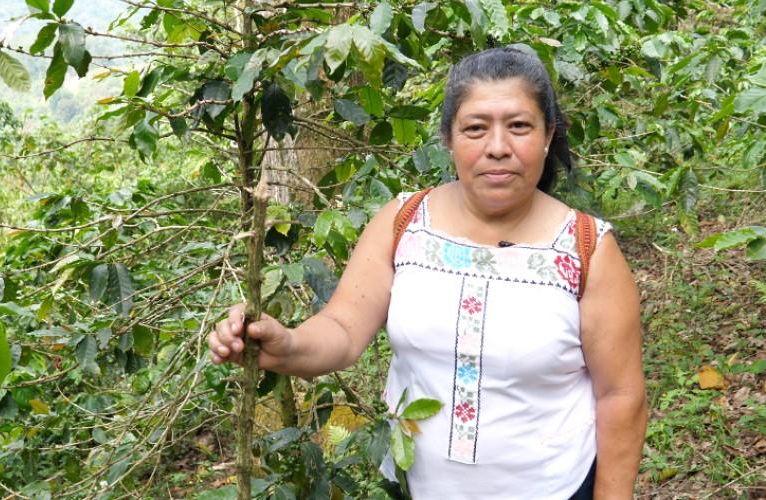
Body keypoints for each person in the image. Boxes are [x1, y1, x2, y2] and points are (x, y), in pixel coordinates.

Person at [208, 47, 647, 499]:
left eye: (519, 126)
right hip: (412, 487)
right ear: (449, 138)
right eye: (475, 128)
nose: (498, 147)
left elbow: (620, 397)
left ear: (549, 133)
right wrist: (287, 343)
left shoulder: (586, 248)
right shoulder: (405, 223)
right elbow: (341, 329)